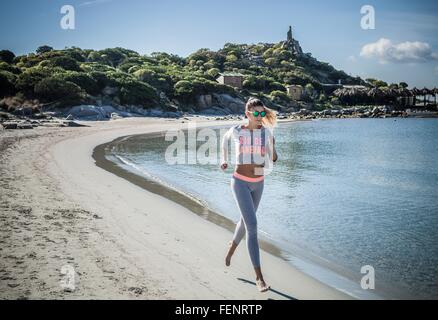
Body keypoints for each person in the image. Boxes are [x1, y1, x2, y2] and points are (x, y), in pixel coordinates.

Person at [220, 97, 278, 293]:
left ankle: (231, 248)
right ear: (247, 114)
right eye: (257, 113)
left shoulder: (266, 132)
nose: (261, 116)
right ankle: (259, 278)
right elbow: (224, 140)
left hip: (259, 184)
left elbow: (274, 158)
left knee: (245, 222)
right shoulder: (237, 130)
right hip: (240, 183)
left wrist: (273, 145)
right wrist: (224, 159)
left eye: (263, 113)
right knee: (252, 226)